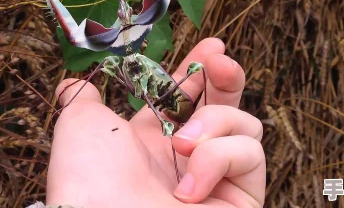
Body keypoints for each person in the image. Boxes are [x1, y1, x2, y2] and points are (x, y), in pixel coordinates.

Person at [46, 38, 266, 208]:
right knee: (106, 66)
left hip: (172, 102)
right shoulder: (126, 63)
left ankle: (186, 165)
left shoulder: (142, 65)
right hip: (165, 105)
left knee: (199, 71)